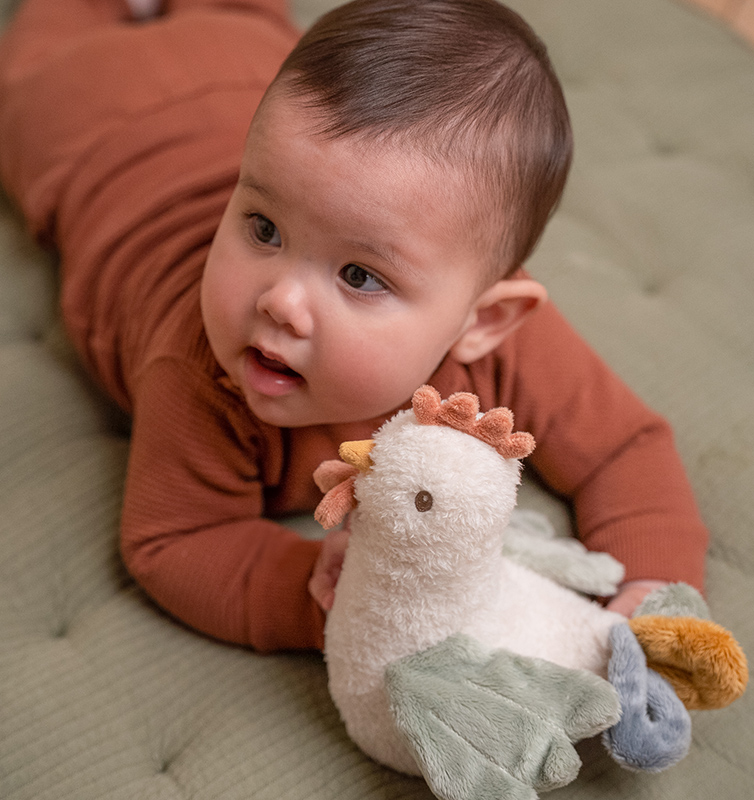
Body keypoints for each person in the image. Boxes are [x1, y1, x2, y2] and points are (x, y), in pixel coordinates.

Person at [0, 0, 708, 653]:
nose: (279, 302)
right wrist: (330, 593)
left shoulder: (512, 345)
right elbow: (175, 541)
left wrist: (654, 585)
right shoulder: (198, 371)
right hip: (86, 113)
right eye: (263, 227)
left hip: (243, 56)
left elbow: (625, 448)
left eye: (359, 276)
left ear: (482, 321)